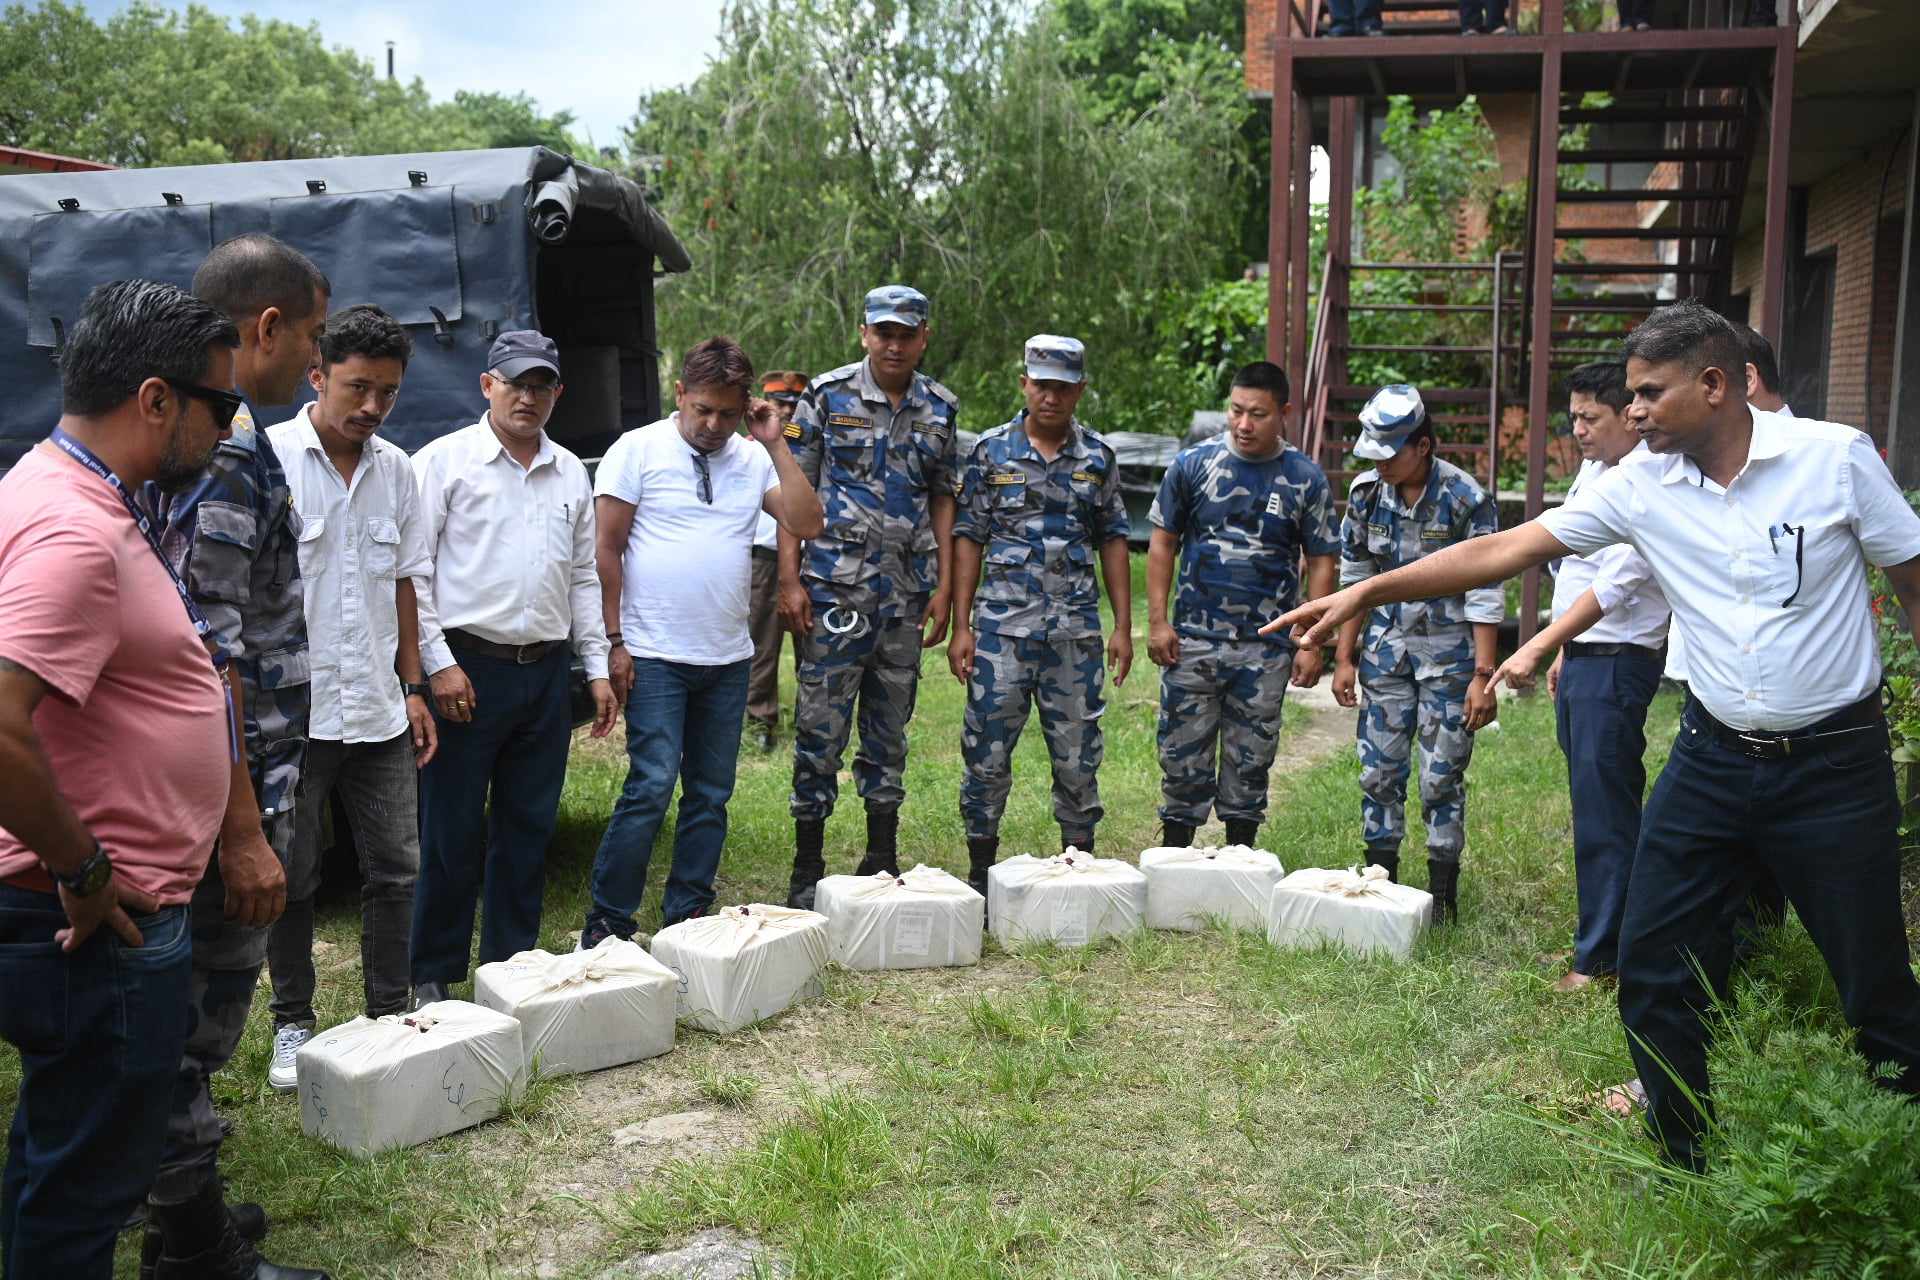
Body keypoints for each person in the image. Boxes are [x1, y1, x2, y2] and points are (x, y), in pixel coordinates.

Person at [1268, 300, 1920, 1171]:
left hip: (1836, 761)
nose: (1635, 409)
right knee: (1654, 959)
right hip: (1714, 753)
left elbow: (1912, 577)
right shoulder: (1639, 487)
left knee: (1871, 972)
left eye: (1651, 393)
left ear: (1716, 385)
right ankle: (1683, 1147)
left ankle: (1898, 1152)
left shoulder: (1832, 461)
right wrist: (1367, 592)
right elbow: (1505, 548)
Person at [0, 280, 237, 1279]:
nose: (231, 427)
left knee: (62, 1159)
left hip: (97, 912)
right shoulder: (77, 533)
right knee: (86, 1182)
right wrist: (87, 869)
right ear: (154, 400)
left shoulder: (54, 487)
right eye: (219, 405)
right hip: (98, 922)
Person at [143, 236, 332, 1278]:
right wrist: (245, 826)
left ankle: (191, 1211)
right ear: (266, 328)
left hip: (223, 779)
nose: (315, 353)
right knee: (190, 1029)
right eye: (309, 332)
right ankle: (191, 1246)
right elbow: (203, 648)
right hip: (222, 788)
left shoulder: (211, 438)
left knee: (191, 1025)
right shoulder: (228, 454)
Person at [580, 338, 823, 947]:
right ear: (680, 395)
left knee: (711, 794)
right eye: (702, 410)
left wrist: (774, 443)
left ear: (747, 407)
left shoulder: (753, 456)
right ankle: (608, 921)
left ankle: (687, 913)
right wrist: (613, 641)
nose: (714, 425)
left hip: (726, 656)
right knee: (653, 784)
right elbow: (604, 551)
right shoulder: (636, 451)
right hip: (655, 652)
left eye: (728, 412)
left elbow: (808, 521)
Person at [407, 331, 617, 1005]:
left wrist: (596, 668)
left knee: (528, 827)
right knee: (452, 831)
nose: (527, 397)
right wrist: (437, 665)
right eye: (515, 383)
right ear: (486, 385)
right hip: (467, 670)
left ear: (558, 392)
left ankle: (510, 968)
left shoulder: (570, 472)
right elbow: (414, 573)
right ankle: (432, 977)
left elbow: (583, 575)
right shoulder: (445, 463)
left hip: (544, 672)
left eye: (541, 386)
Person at [264, 305, 437, 1091]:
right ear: (317, 376)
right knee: (292, 877)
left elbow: (404, 582)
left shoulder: (397, 471)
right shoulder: (267, 461)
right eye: (357, 388)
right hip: (293, 717)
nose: (371, 408)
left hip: (376, 709)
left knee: (396, 866)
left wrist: (413, 684)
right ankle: (293, 1023)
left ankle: (389, 1011)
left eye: (388, 394)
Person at [1488, 362, 1668, 995]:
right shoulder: (1600, 469)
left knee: (1606, 816)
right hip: (1588, 656)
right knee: (1596, 807)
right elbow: (1577, 571)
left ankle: (1602, 960)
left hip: (1619, 661)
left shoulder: (1650, 478)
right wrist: (1567, 649)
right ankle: (1610, 940)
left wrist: (1538, 645)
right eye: (1574, 420)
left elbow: (1616, 584)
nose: (1580, 432)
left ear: (1629, 416)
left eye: (1591, 419)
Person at [779, 287, 959, 909]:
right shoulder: (827, 397)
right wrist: (789, 579)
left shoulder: (940, 407)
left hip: (905, 595)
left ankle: (881, 853)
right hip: (834, 588)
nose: (893, 343)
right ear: (863, 334)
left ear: (923, 337)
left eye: (905, 333)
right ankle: (808, 863)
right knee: (820, 726)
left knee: (889, 728)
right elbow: (790, 491)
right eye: (883, 332)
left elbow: (943, 497)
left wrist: (946, 590)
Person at [949, 336, 1133, 893]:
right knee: (985, 755)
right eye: (1040, 385)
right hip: (1001, 634)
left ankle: (1077, 869)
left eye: (1062, 387)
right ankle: (981, 872)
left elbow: (1114, 540)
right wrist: (962, 627)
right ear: (1023, 383)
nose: (1049, 397)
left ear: (1079, 390)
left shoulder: (1098, 459)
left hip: (1074, 634)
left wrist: (1124, 626)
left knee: (1078, 759)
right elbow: (968, 539)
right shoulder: (988, 452)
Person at [1147, 361, 1338, 850]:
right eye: (1235, 411)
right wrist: (1158, 622)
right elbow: (1162, 543)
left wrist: (1311, 640)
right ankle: (1174, 858)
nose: (1244, 424)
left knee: (1251, 762)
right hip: (1192, 641)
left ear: (1284, 414)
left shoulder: (1304, 478)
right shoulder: (1192, 465)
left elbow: (1321, 560)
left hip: (1266, 646)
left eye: (1258, 414)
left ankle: (1241, 860)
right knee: (1182, 756)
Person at [1335, 385, 1500, 922]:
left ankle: (1441, 897)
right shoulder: (1365, 497)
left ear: (1422, 446)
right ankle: (1383, 887)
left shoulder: (1464, 498)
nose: (1378, 465)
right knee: (1378, 773)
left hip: (1449, 662)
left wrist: (1483, 674)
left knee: (1439, 777)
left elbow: (1485, 588)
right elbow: (1354, 580)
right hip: (1385, 658)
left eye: (1390, 454)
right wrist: (1344, 657)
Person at [747, 371, 807, 753]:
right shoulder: (748, 449)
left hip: (810, 557)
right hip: (763, 558)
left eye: (793, 403)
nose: (786, 410)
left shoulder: (813, 447)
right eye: (779, 402)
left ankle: (812, 718)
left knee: (812, 640)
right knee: (761, 643)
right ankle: (759, 721)